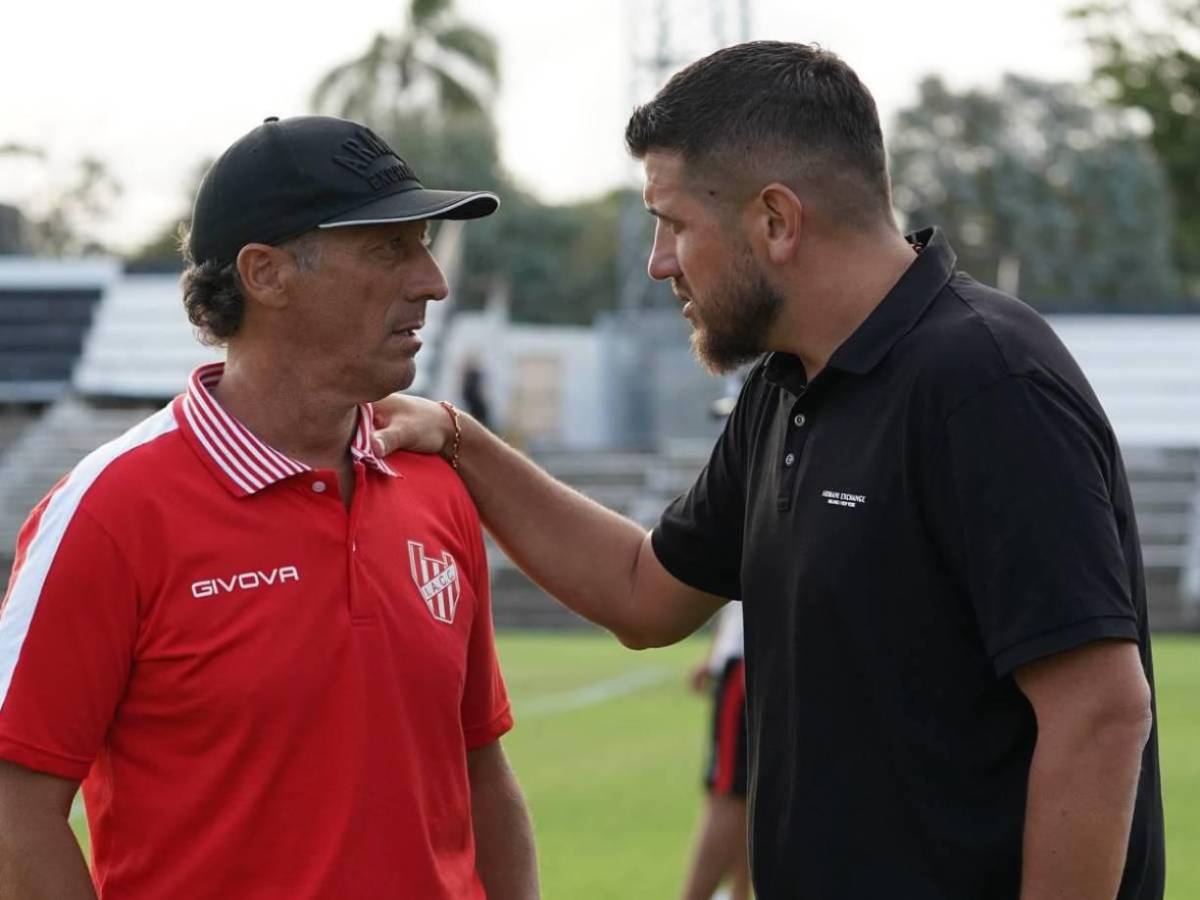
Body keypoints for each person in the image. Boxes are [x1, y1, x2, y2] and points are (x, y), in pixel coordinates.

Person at [372, 42, 1164, 899]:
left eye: (674, 223)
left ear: (776, 222)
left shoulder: (985, 382)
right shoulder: (789, 384)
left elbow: (1100, 713)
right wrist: (461, 440)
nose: (659, 262)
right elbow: (644, 592)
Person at [0, 116, 538, 899]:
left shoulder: (435, 487)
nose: (432, 280)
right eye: (391, 248)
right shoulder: (111, 510)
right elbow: (16, 809)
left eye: (424, 245)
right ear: (267, 274)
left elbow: (478, 769)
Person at [681, 602, 750, 900]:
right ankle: (739, 894)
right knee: (748, 795)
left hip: (747, 666)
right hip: (763, 657)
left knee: (729, 796)